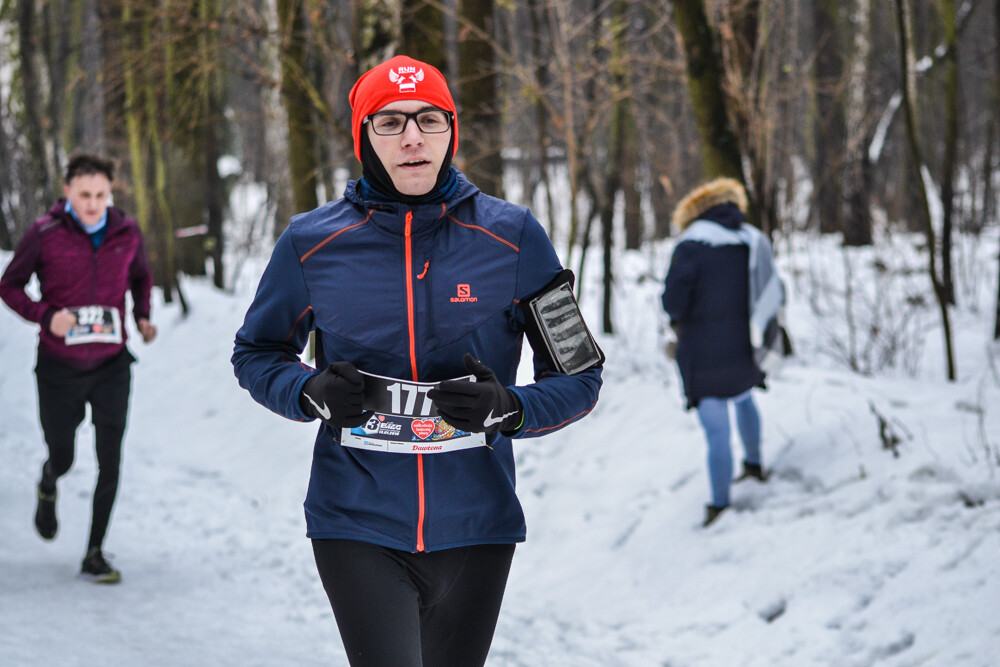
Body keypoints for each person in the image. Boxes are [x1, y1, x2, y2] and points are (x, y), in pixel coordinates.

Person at [232, 55, 603, 666]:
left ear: (451, 130)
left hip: (477, 523)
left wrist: (510, 408)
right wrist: (308, 392)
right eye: (390, 122)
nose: (412, 137)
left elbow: (580, 375)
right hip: (355, 517)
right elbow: (257, 351)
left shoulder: (513, 238)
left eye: (430, 119)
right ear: (363, 137)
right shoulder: (311, 243)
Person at [0, 153, 157, 583]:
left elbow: (141, 277)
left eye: (101, 195)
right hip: (59, 368)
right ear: (67, 192)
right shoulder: (44, 233)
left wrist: (143, 315)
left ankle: (94, 552)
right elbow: (9, 286)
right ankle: (49, 481)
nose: (92, 204)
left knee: (110, 460)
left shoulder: (127, 232)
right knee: (63, 454)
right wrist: (47, 315)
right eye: (84, 194)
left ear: (110, 193)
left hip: (112, 366)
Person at [660, 177, 784, 528]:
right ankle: (754, 465)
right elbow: (772, 289)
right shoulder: (751, 239)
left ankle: (719, 505)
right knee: (744, 398)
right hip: (744, 343)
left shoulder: (691, 244)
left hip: (702, 349)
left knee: (716, 429)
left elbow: (673, 302)